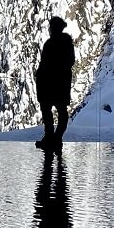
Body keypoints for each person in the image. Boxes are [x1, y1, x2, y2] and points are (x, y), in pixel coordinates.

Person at [34, 16, 75, 151]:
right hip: (57, 83)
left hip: (52, 82)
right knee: (57, 110)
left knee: (51, 110)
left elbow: (46, 63)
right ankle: (54, 138)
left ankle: (52, 137)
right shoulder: (64, 43)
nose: (51, 30)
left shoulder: (52, 43)